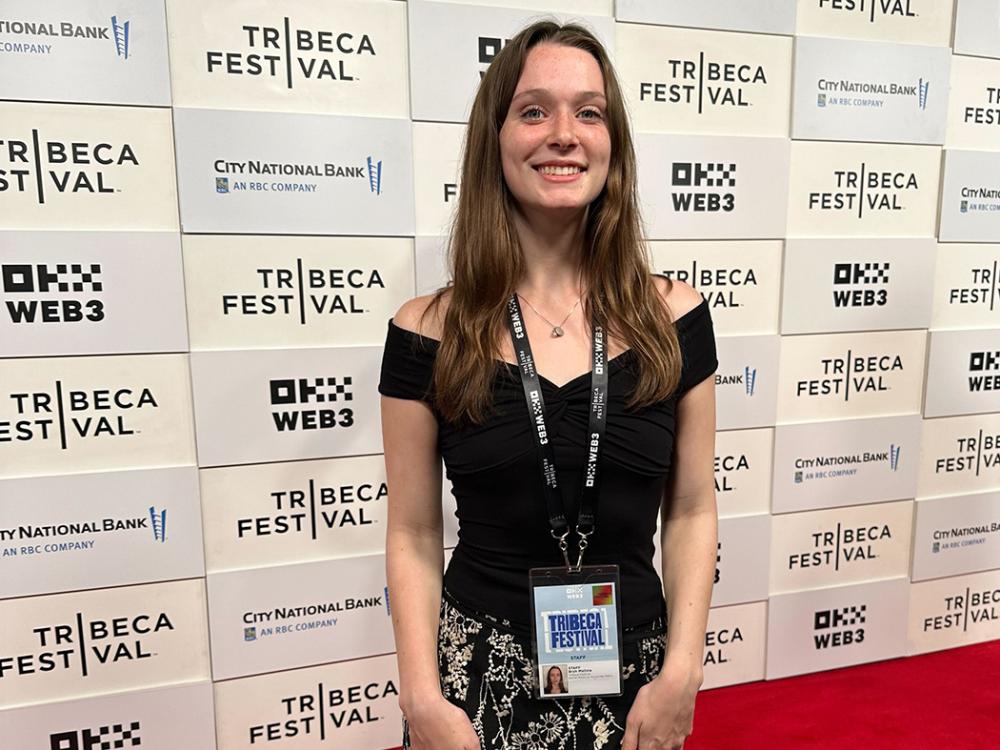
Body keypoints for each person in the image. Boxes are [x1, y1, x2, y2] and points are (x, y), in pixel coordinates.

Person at [379, 19, 718, 750]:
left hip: (638, 687)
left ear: (612, 145)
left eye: (588, 112)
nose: (564, 133)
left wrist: (684, 673)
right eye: (534, 110)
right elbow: (410, 530)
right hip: (475, 690)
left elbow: (690, 508)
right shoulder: (425, 332)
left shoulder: (676, 318)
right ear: (495, 140)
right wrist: (422, 700)